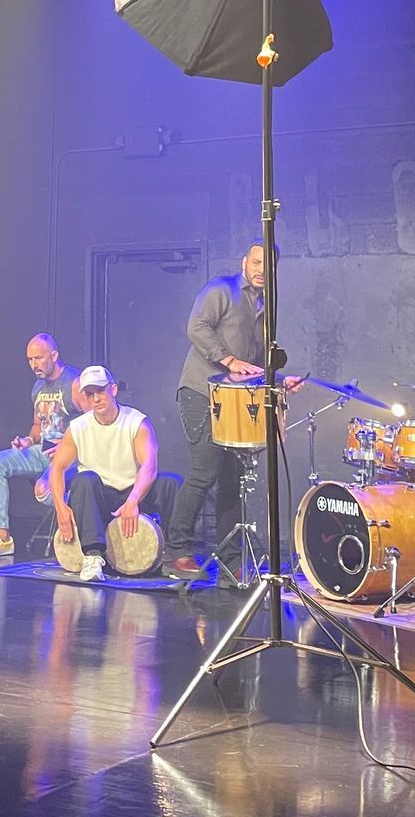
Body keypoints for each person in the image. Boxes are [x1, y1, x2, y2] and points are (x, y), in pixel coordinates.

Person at [162, 244, 301, 580]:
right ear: (244, 262)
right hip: (200, 392)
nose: (260, 269)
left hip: (234, 399)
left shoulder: (266, 305)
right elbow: (196, 327)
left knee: (232, 480)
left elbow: (254, 363)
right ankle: (176, 551)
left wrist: (279, 381)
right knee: (204, 471)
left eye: (267, 265)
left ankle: (230, 559)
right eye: (255, 262)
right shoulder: (220, 289)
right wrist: (227, 359)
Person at [48, 366, 180, 583]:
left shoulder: (136, 422)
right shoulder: (78, 428)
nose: (96, 399)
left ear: (114, 389)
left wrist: (133, 500)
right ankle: (93, 557)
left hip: (134, 493)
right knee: (84, 480)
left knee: (171, 483)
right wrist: (60, 507)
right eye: (90, 394)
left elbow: (149, 466)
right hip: (99, 499)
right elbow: (57, 469)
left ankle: (172, 556)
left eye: (100, 391)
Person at [0, 333, 86, 559]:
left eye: (38, 358)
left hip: (70, 456)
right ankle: (2, 538)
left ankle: (84, 515)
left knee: (43, 491)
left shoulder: (74, 383)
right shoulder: (37, 387)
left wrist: (70, 447)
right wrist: (27, 440)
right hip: (42, 452)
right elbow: (37, 426)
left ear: (54, 356)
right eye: (30, 360)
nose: (34, 364)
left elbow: (94, 425)